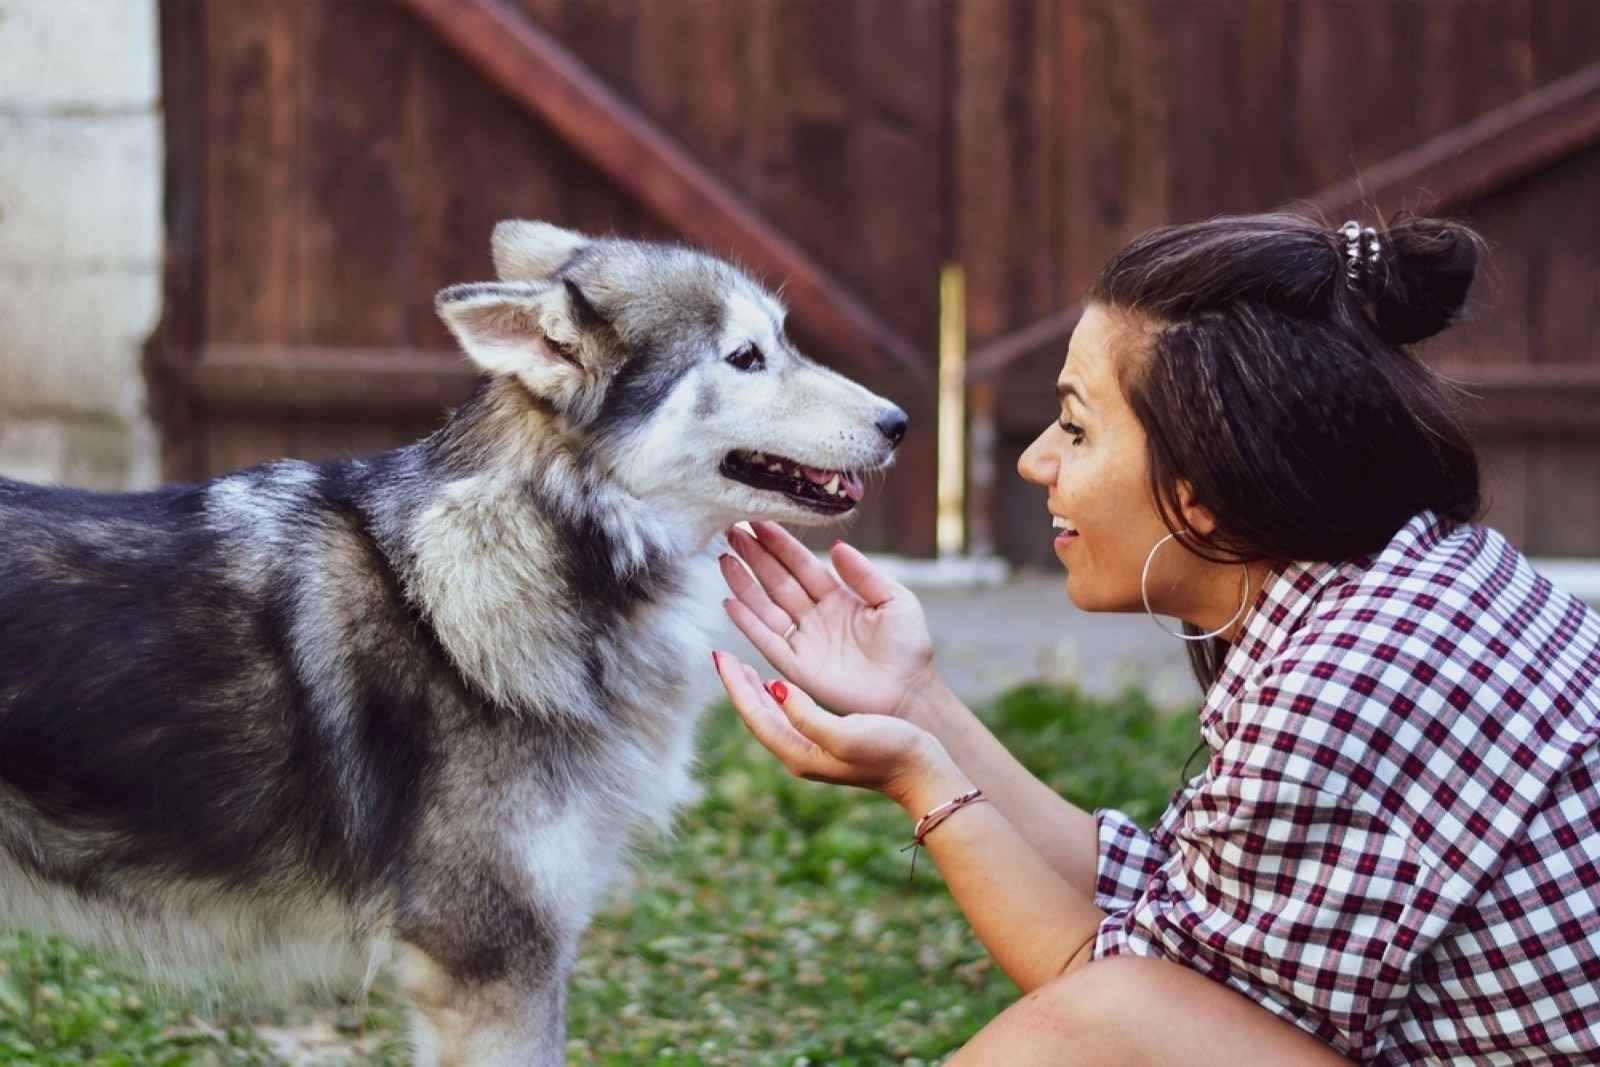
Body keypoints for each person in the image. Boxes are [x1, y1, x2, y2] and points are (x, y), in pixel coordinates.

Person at [711, 212, 1600, 1065]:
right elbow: (1164, 903)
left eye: (1076, 426)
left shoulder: (1353, 683)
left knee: (1100, 1021)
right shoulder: (1398, 595)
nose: (1037, 463)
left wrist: (922, 780)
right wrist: (918, 705)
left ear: (1207, 479)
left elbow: (1132, 1018)